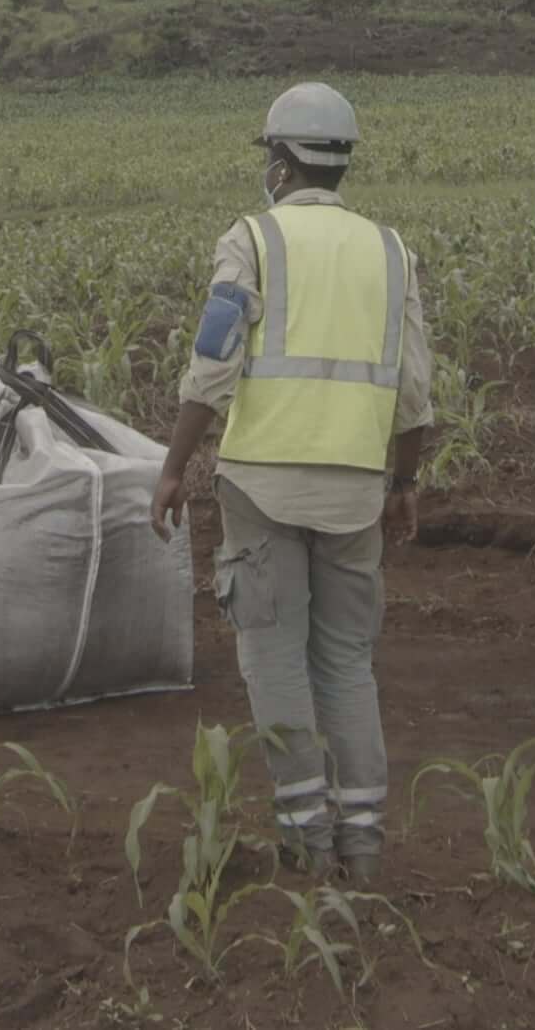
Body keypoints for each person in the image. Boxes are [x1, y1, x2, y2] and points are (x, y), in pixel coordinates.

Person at [148, 82, 436, 883]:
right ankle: (365, 846)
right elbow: (415, 392)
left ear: (280, 161)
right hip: (354, 491)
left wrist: (174, 467)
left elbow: (212, 367)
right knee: (346, 663)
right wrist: (404, 480)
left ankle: (306, 843)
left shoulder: (252, 240)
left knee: (274, 659)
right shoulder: (391, 251)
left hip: (262, 485)